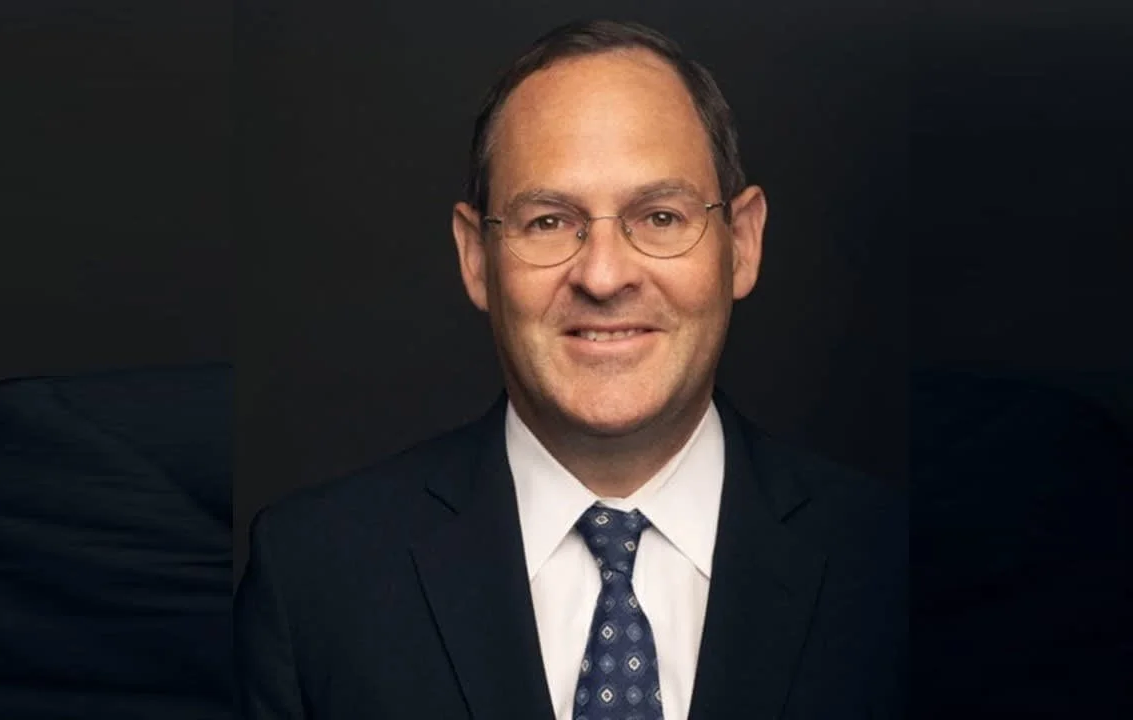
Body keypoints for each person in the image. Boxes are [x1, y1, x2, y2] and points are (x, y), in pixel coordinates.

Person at [234, 19, 904, 720]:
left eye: (661, 217)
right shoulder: (315, 580)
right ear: (475, 258)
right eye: (549, 222)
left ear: (741, 243)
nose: (605, 275)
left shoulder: (896, 569)